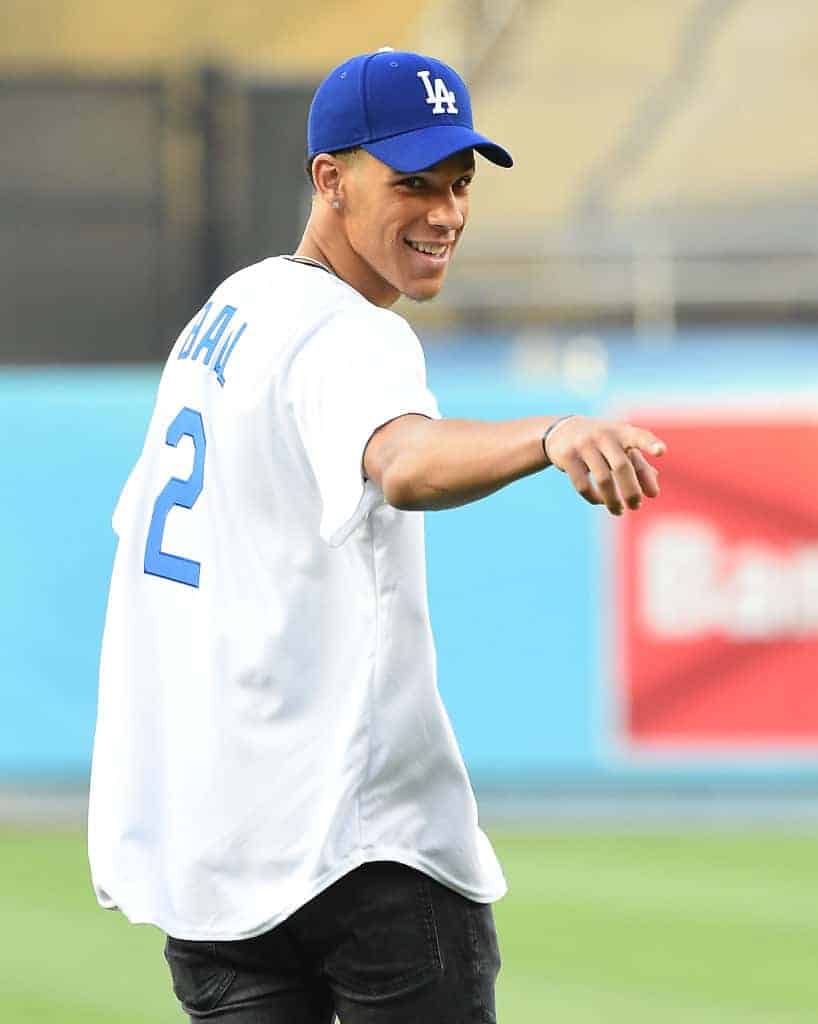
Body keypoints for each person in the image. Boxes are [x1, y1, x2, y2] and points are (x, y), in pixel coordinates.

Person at [88, 48, 665, 1023]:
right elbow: (401, 460)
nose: (443, 212)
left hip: (219, 865)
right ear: (328, 178)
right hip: (359, 854)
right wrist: (550, 433)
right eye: (410, 182)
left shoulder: (224, 315)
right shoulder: (347, 331)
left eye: (458, 183)